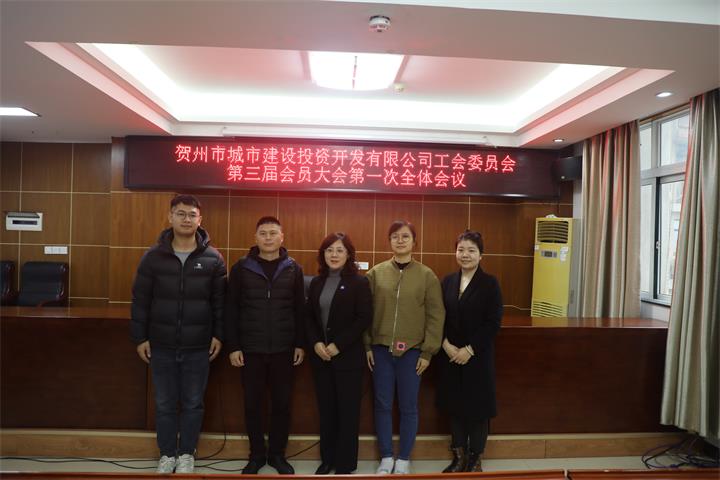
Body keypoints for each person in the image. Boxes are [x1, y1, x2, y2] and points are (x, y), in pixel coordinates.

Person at [130, 194, 226, 474]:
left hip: (198, 346)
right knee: (164, 403)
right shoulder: (153, 257)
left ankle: (186, 453)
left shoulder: (213, 258)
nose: (186, 219)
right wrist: (140, 338)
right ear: (170, 217)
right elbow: (140, 300)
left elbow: (220, 303)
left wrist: (219, 335)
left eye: (192, 215)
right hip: (161, 344)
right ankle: (167, 454)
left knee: (194, 403)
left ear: (200, 219)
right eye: (181, 214)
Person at [224, 216, 306, 475]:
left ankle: (278, 455)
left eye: (273, 233)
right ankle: (257, 455)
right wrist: (233, 346)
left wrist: (300, 344)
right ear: (255, 237)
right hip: (251, 349)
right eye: (263, 233)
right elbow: (231, 309)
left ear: (282, 237)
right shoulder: (241, 268)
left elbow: (300, 310)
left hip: (284, 349)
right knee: (252, 405)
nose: (268, 237)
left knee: (282, 405)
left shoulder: (293, 268)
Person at [364, 220, 445, 475]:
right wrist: (367, 345)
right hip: (380, 350)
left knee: (409, 406)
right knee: (382, 405)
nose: (400, 241)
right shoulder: (375, 274)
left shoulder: (427, 276)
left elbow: (436, 315)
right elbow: (364, 313)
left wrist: (428, 351)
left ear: (414, 242)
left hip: (412, 352)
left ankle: (404, 458)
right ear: (389, 241)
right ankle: (386, 456)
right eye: (395, 236)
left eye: (405, 236)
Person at [436, 230, 503, 473]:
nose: (465, 255)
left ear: (481, 255)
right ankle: (458, 457)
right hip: (450, 355)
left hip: (477, 356)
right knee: (454, 407)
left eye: (471, 250)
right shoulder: (447, 281)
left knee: (478, 410)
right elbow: (438, 316)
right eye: (461, 249)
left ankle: (475, 459)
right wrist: (444, 344)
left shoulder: (490, 283)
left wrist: (470, 349)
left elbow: (493, 322)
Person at [306, 233, 372, 475]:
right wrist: (315, 343)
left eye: (339, 250)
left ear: (348, 255)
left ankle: (345, 464)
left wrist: (338, 345)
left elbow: (363, 318)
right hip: (321, 358)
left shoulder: (359, 283)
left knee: (348, 412)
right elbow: (308, 317)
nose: (334, 255)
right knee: (327, 411)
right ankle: (327, 460)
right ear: (323, 254)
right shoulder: (316, 282)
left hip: (347, 358)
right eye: (329, 250)